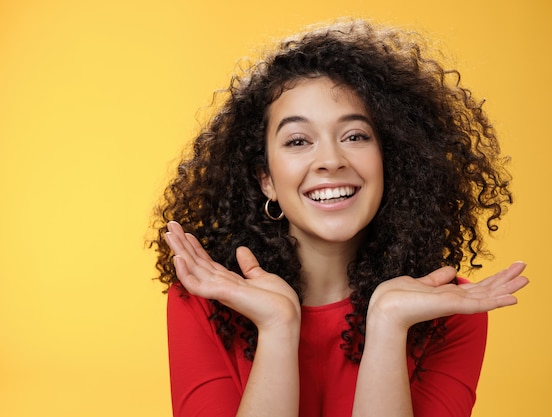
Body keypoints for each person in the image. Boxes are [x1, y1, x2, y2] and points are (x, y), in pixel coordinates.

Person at [150, 19, 529, 417]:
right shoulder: (205, 301)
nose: (331, 161)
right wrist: (278, 328)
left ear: (391, 160)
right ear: (266, 181)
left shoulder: (446, 312)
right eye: (298, 141)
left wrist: (388, 325)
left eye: (355, 136)